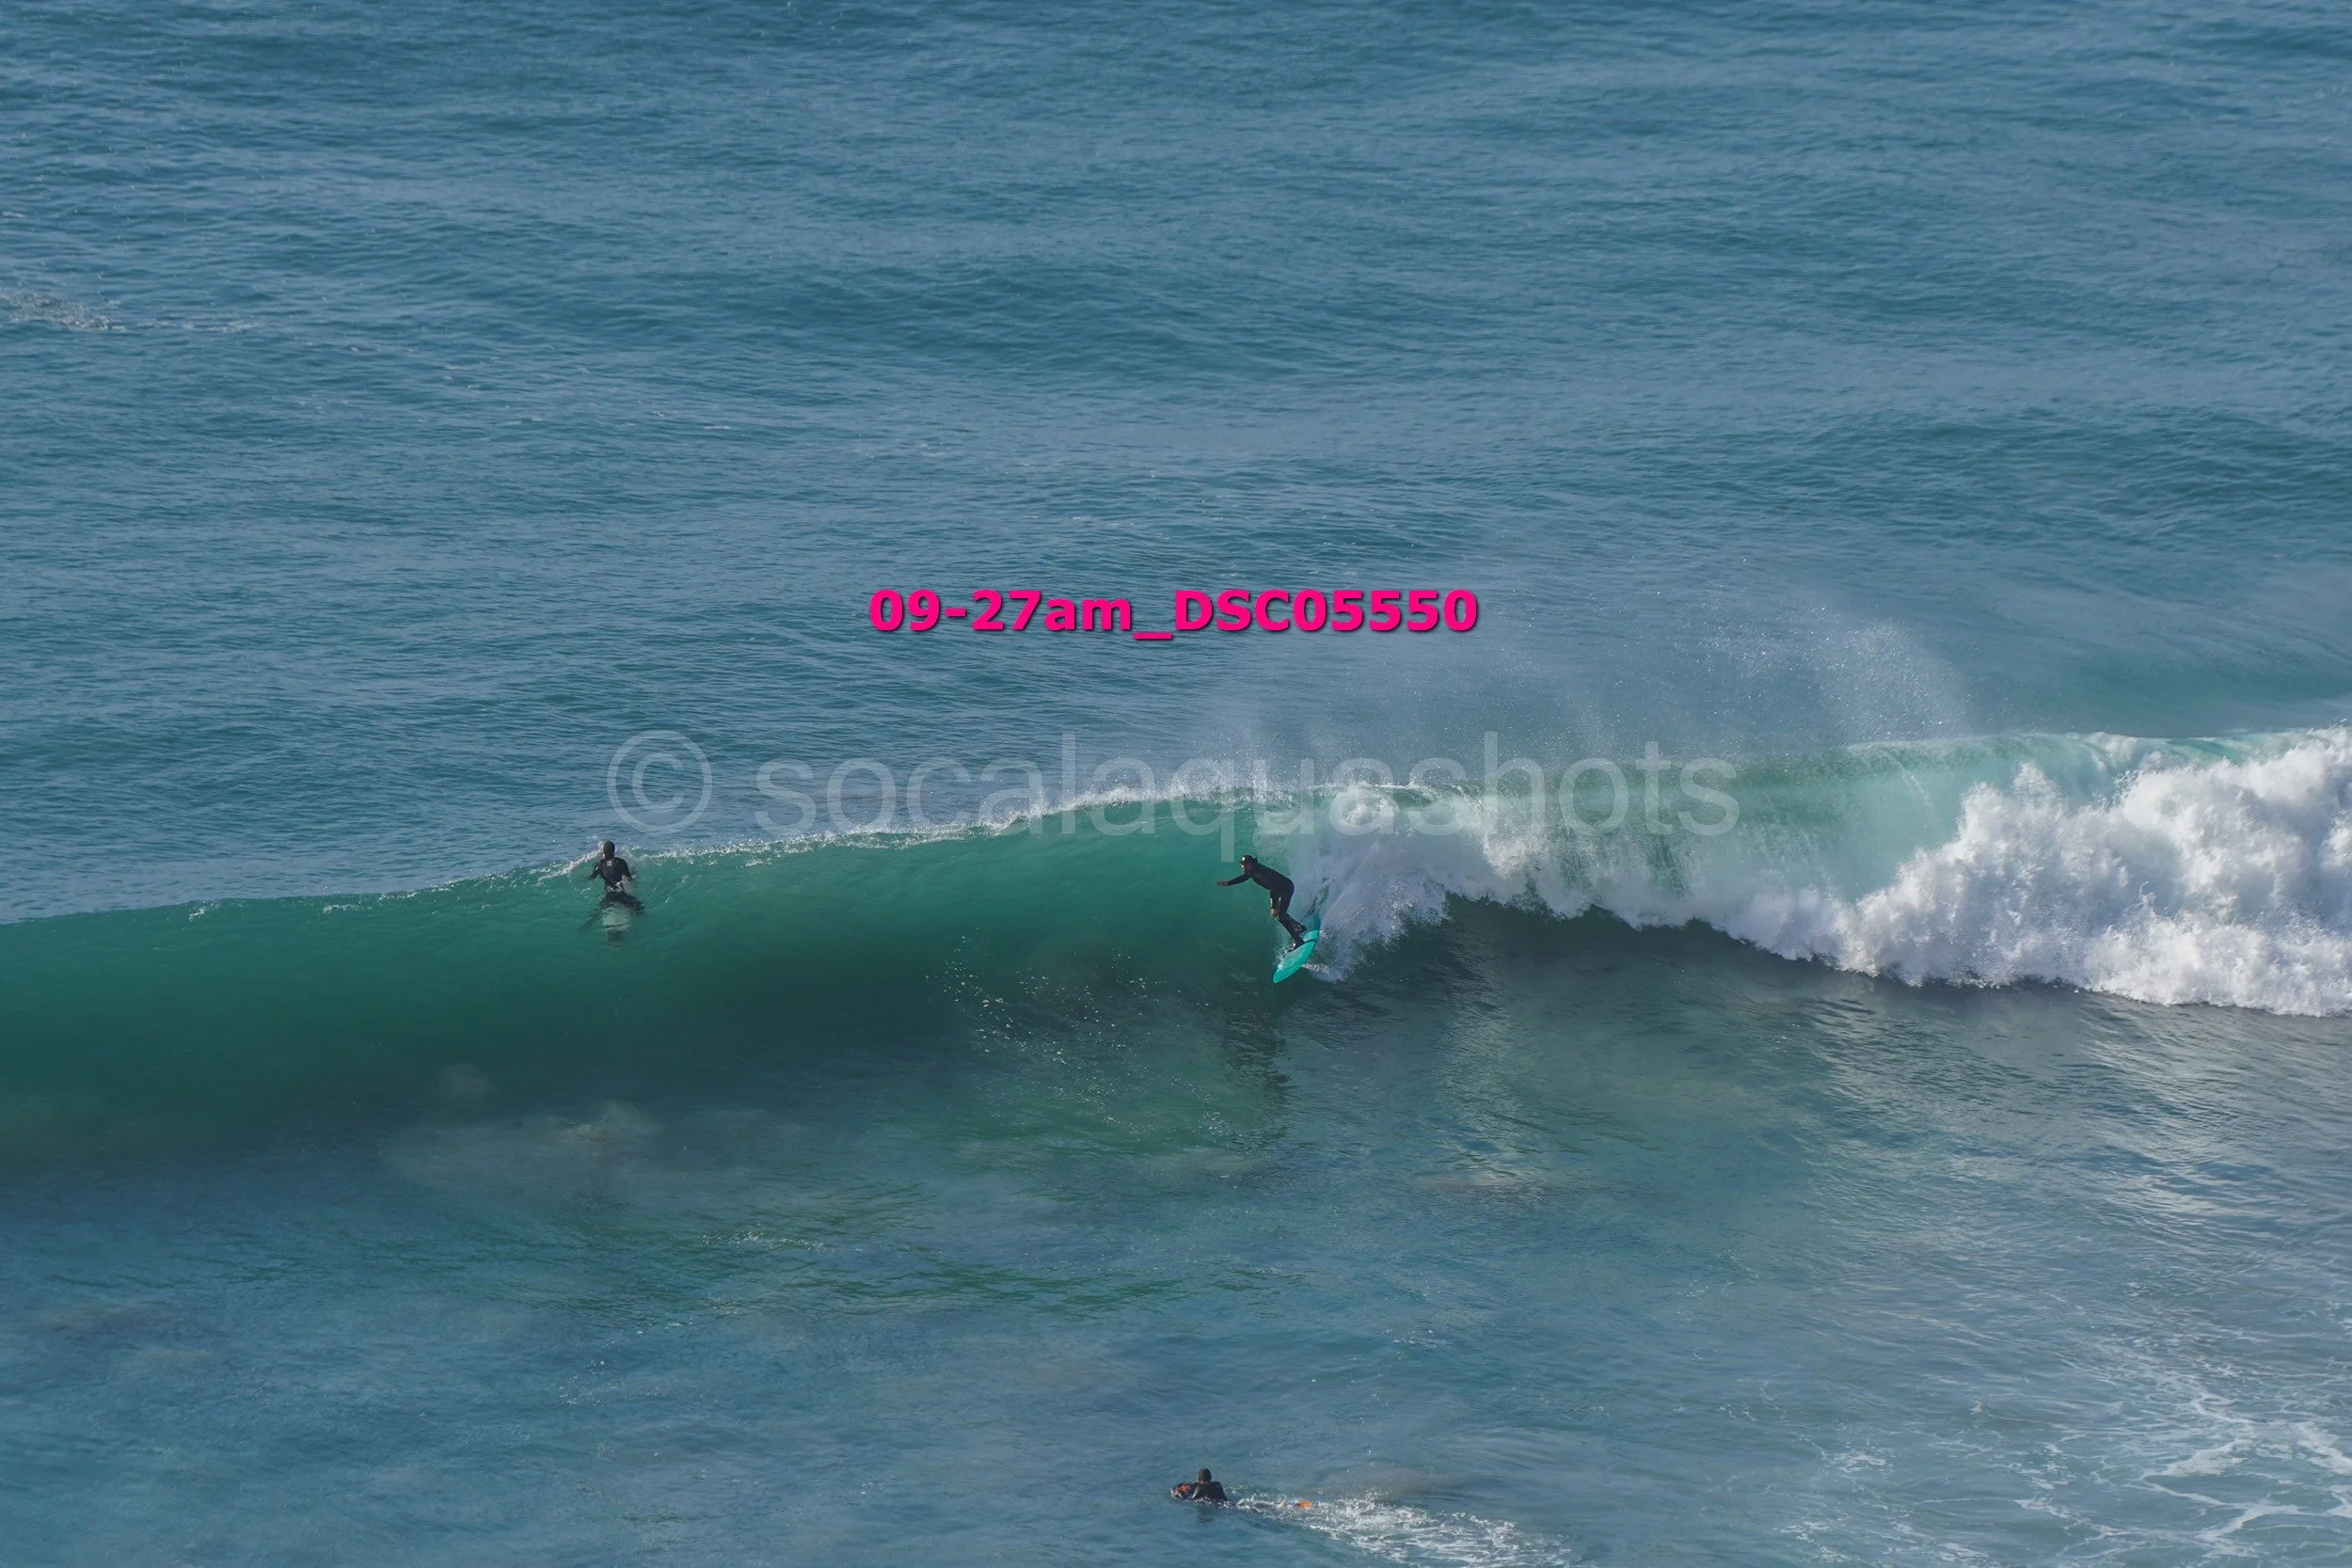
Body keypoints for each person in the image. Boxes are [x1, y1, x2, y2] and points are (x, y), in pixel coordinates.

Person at [1218, 854, 1307, 947]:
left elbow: (1273, 887)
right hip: (1283, 888)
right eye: (1242, 864)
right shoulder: (1252, 870)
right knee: (1280, 913)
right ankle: (1299, 927)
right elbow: (1245, 877)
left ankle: (1298, 940)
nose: (1243, 866)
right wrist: (1228, 883)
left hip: (1285, 889)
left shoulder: (1259, 872)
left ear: (1251, 863)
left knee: (1280, 916)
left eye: (1246, 864)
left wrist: (1273, 906)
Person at [586, 840, 643, 911]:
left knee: (597, 912)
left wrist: (584, 877)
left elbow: (592, 877)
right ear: (614, 850)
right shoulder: (621, 862)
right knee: (640, 908)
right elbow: (629, 877)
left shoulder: (600, 864)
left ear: (603, 851)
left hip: (609, 895)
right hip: (620, 893)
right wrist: (634, 872)